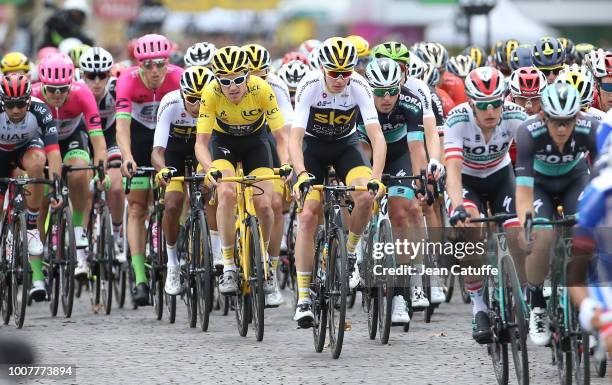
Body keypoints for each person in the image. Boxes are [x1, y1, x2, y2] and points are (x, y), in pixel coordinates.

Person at [289, 37, 386, 326]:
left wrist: (376, 178)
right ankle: (304, 297)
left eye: (347, 71)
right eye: (335, 72)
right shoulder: (309, 86)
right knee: (307, 217)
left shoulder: (359, 85)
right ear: (322, 69)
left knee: (366, 197)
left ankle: (352, 252)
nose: (341, 78)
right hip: (313, 149)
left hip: (346, 147)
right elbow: (294, 138)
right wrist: (301, 172)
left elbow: (376, 137)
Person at [194, 46, 288, 297]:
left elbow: (281, 136)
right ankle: (228, 265)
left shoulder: (262, 89)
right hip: (223, 143)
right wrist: (209, 168)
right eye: (225, 81)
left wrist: (286, 163)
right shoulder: (211, 93)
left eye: (238, 79)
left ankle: (265, 260)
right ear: (217, 80)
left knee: (265, 205)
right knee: (226, 194)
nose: (232, 87)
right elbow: (201, 143)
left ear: (248, 76)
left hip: (256, 143)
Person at [445, 67, 528, 343]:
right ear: (471, 103)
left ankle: (523, 294)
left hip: (501, 176)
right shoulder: (457, 120)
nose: (491, 111)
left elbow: (532, 163)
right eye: (483, 105)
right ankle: (479, 306)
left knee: (518, 232)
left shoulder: (516, 115)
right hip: (468, 180)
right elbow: (453, 170)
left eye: (496, 103)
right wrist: (457, 207)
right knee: (470, 230)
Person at [515, 83, 598, 345]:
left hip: (575, 180)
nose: (562, 128)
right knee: (541, 237)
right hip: (538, 184)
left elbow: (600, 178)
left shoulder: (590, 129)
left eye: (568, 121)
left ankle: (592, 306)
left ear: (578, 116)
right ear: (544, 116)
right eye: (556, 122)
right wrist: (526, 222)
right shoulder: (528, 131)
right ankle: (537, 304)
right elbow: (524, 190)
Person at [116, 34, 183, 305]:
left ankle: (182, 248)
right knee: (136, 208)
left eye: (159, 64)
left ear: (167, 61)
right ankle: (140, 278)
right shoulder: (127, 81)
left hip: (171, 137)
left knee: (177, 196)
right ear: (138, 64)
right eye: (147, 65)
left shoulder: (179, 77)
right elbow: (122, 126)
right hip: (141, 137)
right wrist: (127, 156)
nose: (154, 71)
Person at [32, 53, 107, 280]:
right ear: (42, 84)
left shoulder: (82, 93)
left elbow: (97, 138)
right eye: (52, 89)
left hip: (71, 138)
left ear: (70, 84)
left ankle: (78, 231)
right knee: (42, 196)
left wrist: (100, 167)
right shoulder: (33, 95)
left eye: (62, 89)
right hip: (41, 141)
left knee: (79, 172)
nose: (57, 94)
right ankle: (37, 260)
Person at [0, 74, 62, 301]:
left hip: (26, 149)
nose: (15, 110)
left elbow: (54, 152)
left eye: (20, 104)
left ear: (28, 100)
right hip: (1, 155)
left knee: (39, 161)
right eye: (9, 104)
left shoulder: (41, 110)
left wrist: (55, 187)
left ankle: (33, 223)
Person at [153, 66, 214, 295]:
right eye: (192, 99)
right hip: (175, 152)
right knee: (172, 203)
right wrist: (163, 169)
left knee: (210, 188)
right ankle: (172, 264)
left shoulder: (216, 102)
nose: (197, 106)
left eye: (202, 99)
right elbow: (157, 150)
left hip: (202, 152)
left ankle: (211, 248)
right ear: (182, 95)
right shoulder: (170, 103)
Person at [79, 47, 125, 259]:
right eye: (91, 76)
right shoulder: (75, 91)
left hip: (109, 138)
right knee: (86, 191)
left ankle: (116, 234)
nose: (96, 81)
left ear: (109, 75)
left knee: (116, 187)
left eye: (102, 76)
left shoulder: (118, 90)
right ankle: (83, 242)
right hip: (83, 140)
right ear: (82, 76)